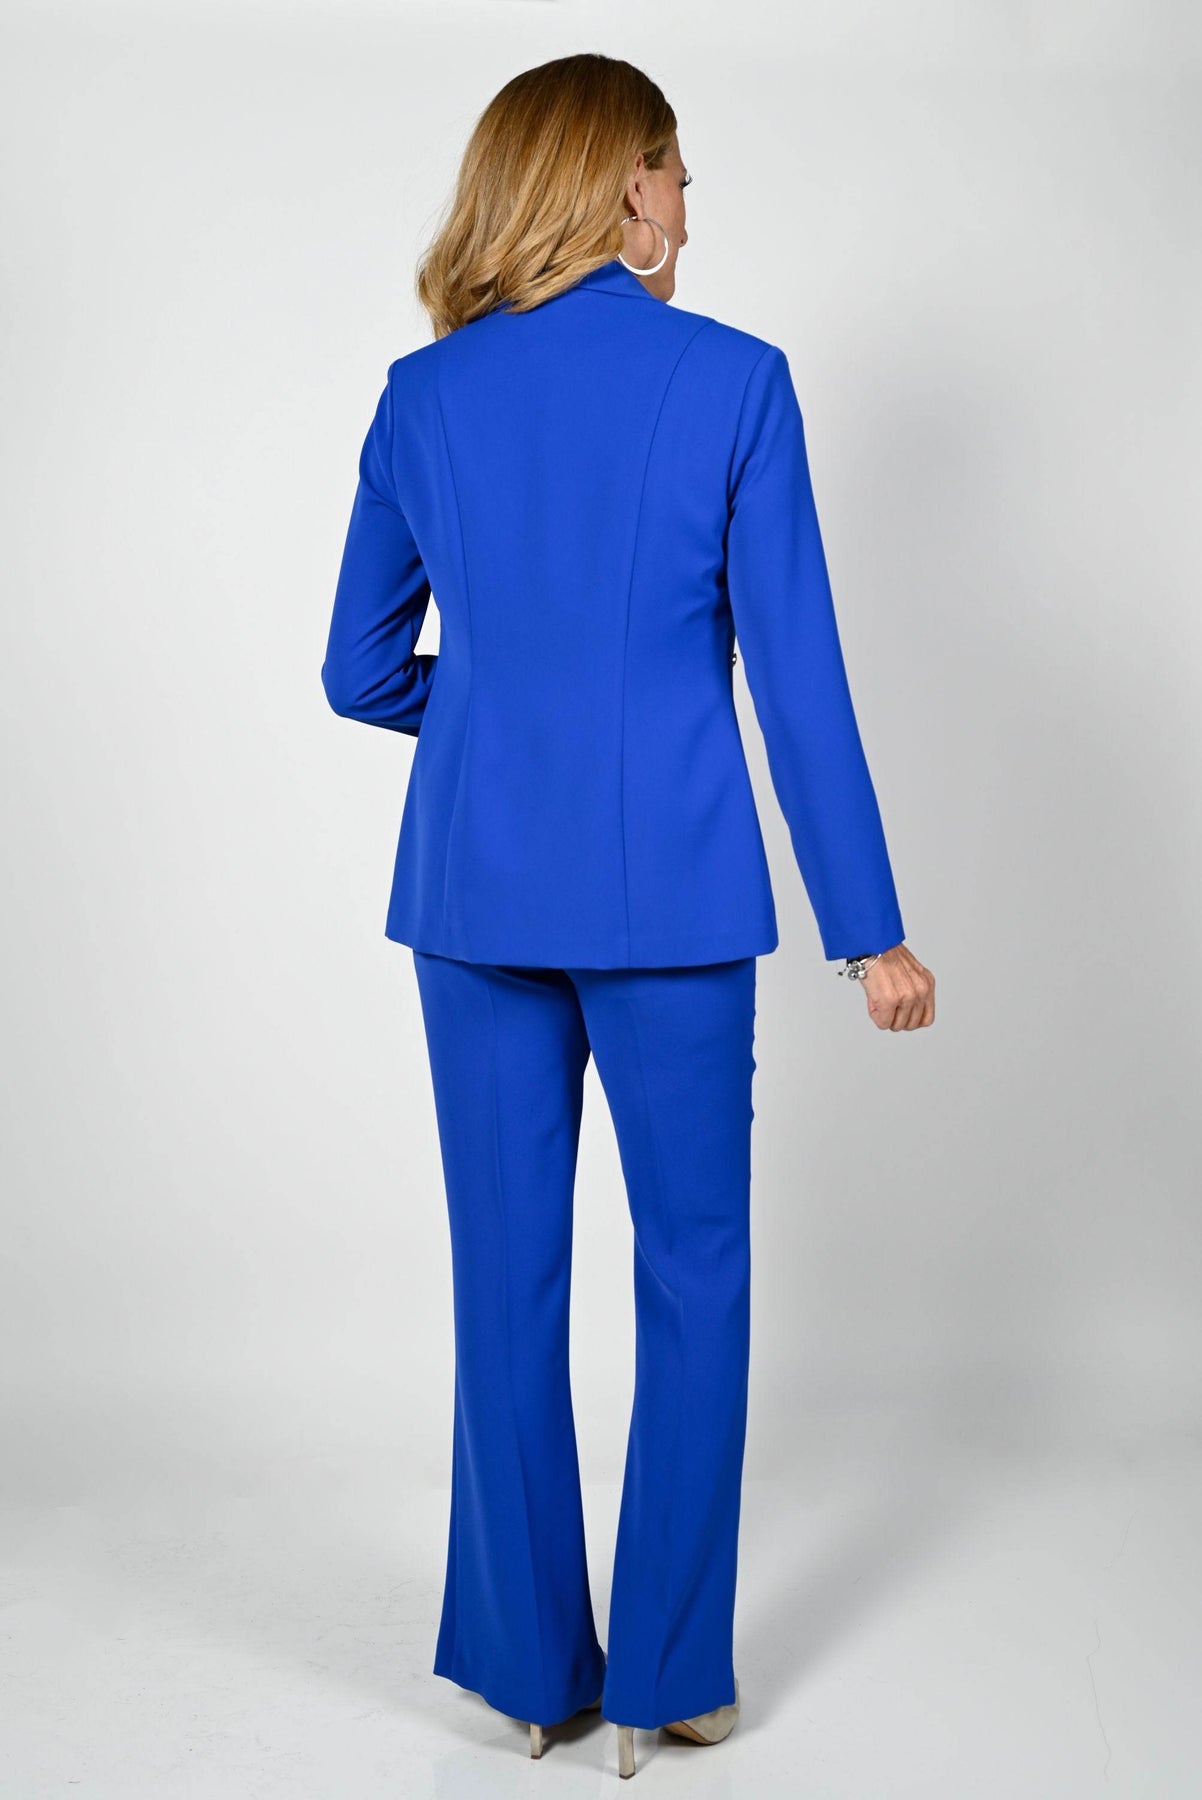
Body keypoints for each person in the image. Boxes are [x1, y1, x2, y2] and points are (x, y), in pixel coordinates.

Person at [320, 52, 935, 1780]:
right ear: (615, 187)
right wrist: (868, 929)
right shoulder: (733, 382)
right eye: (673, 174)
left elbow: (357, 669)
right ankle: (666, 1678)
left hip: (471, 898)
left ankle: (531, 1675)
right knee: (696, 1275)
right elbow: (797, 690)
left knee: (502, 1282)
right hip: (670, 895)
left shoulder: (422, 396)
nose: (686, 206)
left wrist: (495, 716)